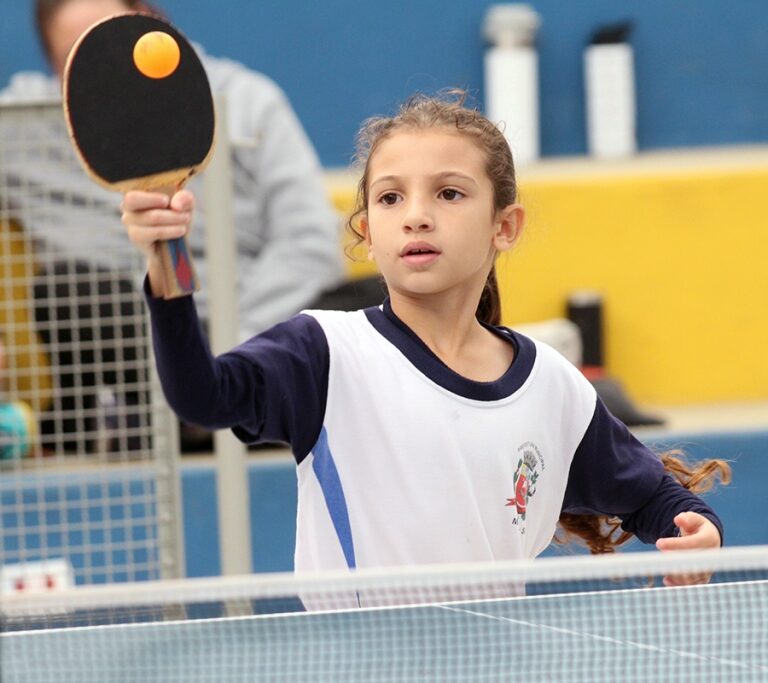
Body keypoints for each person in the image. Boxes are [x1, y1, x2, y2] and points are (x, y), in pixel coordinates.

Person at [122, 91, 729, 586]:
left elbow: (655, 499)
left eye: (448, 193)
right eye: (391, 197)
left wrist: (696, 530)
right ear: (367, 231)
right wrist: (167, 260)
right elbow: (201, 398)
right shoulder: (323, 353)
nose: (415, 215)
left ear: (505, 226)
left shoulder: (551, 385)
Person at [0, 0, 378, 452]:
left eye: (113, 36)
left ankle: (220, 409)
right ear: (54, 71)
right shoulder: (23, 127)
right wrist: (184, 356)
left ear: (153, 22)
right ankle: (201, 416)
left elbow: (309, 242)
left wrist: (234, 348)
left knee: (385, 298)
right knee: (68, 291)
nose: (107, 66)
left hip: (256, 323)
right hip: (141, 341)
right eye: (78, 56)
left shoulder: (248, 100)